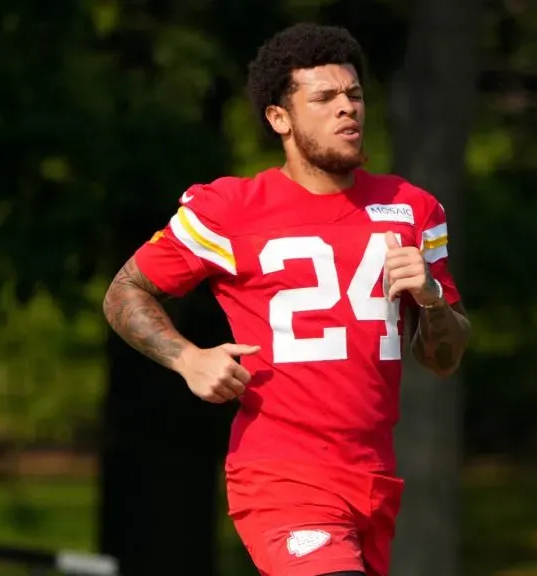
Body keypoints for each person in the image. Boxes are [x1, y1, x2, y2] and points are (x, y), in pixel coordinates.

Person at [102, 22, 471, 576]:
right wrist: (187, 358)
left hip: (373, 479)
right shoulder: (230, 208)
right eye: (324, 98)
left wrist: (432, 297)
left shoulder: (412, 208)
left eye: (354, 94)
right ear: (280, 118)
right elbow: (125, 290)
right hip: (282, 476)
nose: (346, 108)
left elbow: (444, 358)